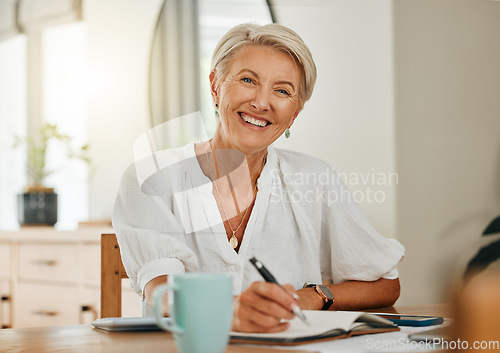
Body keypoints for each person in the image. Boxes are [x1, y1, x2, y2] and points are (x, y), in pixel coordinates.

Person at [113, 23, 405, 333]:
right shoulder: (153, 178)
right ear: (215, 86)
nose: (261, 103)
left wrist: (315, 296)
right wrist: (227, 310)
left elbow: (386, 284)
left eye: (282, 91)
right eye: (248, 80)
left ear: (294, 113)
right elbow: (162, 293)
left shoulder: (315, 179)